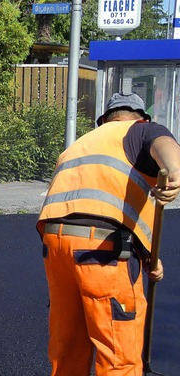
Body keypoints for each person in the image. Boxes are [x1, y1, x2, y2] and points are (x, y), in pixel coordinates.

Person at [36, 92, 180, 375]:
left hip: (55, 247)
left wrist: (149, 256)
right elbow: (165, 144)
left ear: (103, 120)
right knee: (117, 352)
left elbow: (99, 201)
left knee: (68, 348)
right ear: (142, 118)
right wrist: (175, 170)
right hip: (101, 250)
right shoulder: (142, 131)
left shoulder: (79, 145)